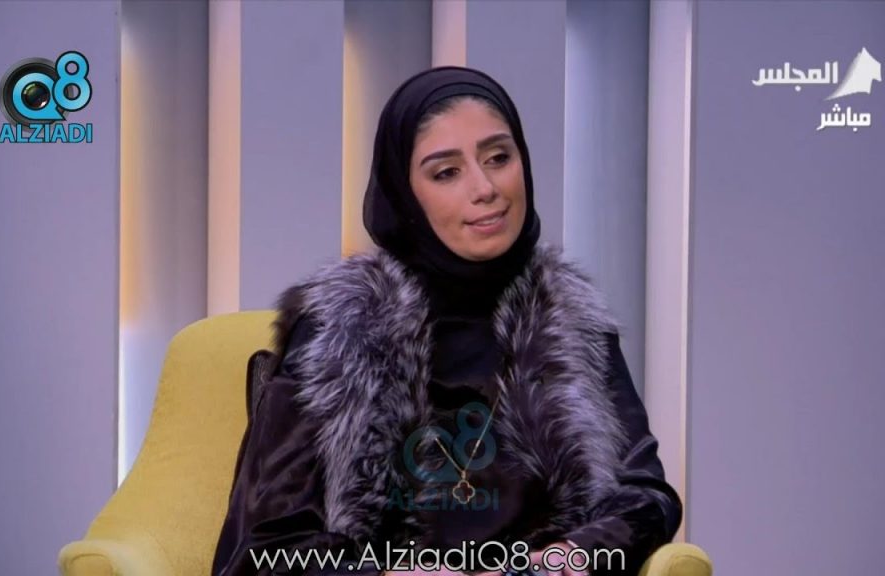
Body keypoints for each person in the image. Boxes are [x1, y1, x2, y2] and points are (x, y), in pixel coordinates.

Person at [211, 66, 682, 576]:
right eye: (446, 173)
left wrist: (565, 558)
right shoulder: (339, 329)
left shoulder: (567, 318)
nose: (485, 188)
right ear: (405, 194)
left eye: (498, 158)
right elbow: (264, 549)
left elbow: (645, 494)